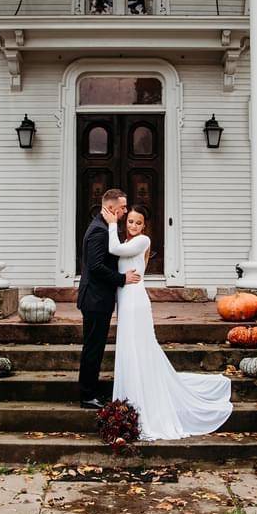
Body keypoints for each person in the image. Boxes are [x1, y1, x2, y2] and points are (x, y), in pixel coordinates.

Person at [101, 203, 233, 440]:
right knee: (131, 348)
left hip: (134, 300)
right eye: (130, 221)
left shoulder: (142, 241)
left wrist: (111, 224)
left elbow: (113, 249)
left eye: (138, 222)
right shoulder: (129, 241)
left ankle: (142, 398)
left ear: (144, 225)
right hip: (126, 298)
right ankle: (133, 394)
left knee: (137, 347)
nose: (133, 225)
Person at [76, 189, 141, 409]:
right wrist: (122, 278)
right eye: (123, 207)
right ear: (111, 208)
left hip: (98, 299)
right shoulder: (99, 231)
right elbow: (96, 267)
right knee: (93, 348)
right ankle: (87, 395)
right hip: (95, 299)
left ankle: (89, 391)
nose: (125, 211)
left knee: (95, 346)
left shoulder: (103, 227)